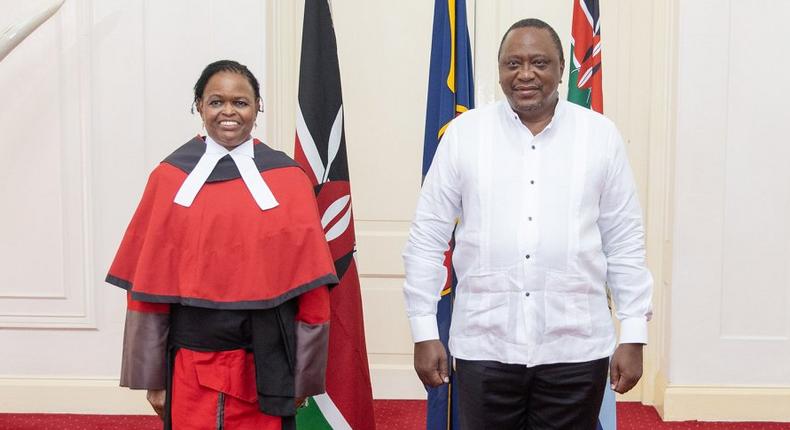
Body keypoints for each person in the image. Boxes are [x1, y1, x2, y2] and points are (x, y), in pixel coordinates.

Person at [403, 18, 653, 429]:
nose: (525, 74)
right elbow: (428, 237)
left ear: (560, 68)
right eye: (512, 63)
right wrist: (423, 329)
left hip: (575, 347)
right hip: (484, 345)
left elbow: (624, 240)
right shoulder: (465, 135)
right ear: (499, 70)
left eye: (539, 62)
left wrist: (633, 334)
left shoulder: (600, 136)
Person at [106, 60, 338, 430]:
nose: (228, 112)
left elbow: (311, 288)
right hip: (188, 363)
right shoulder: (168, 178)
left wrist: (304, 374)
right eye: (216, 101)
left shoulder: (289, 180)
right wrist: (152, 377)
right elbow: (146, 287)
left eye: (240, 102)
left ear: (257, 107)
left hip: (267, 362)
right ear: (198, 105)